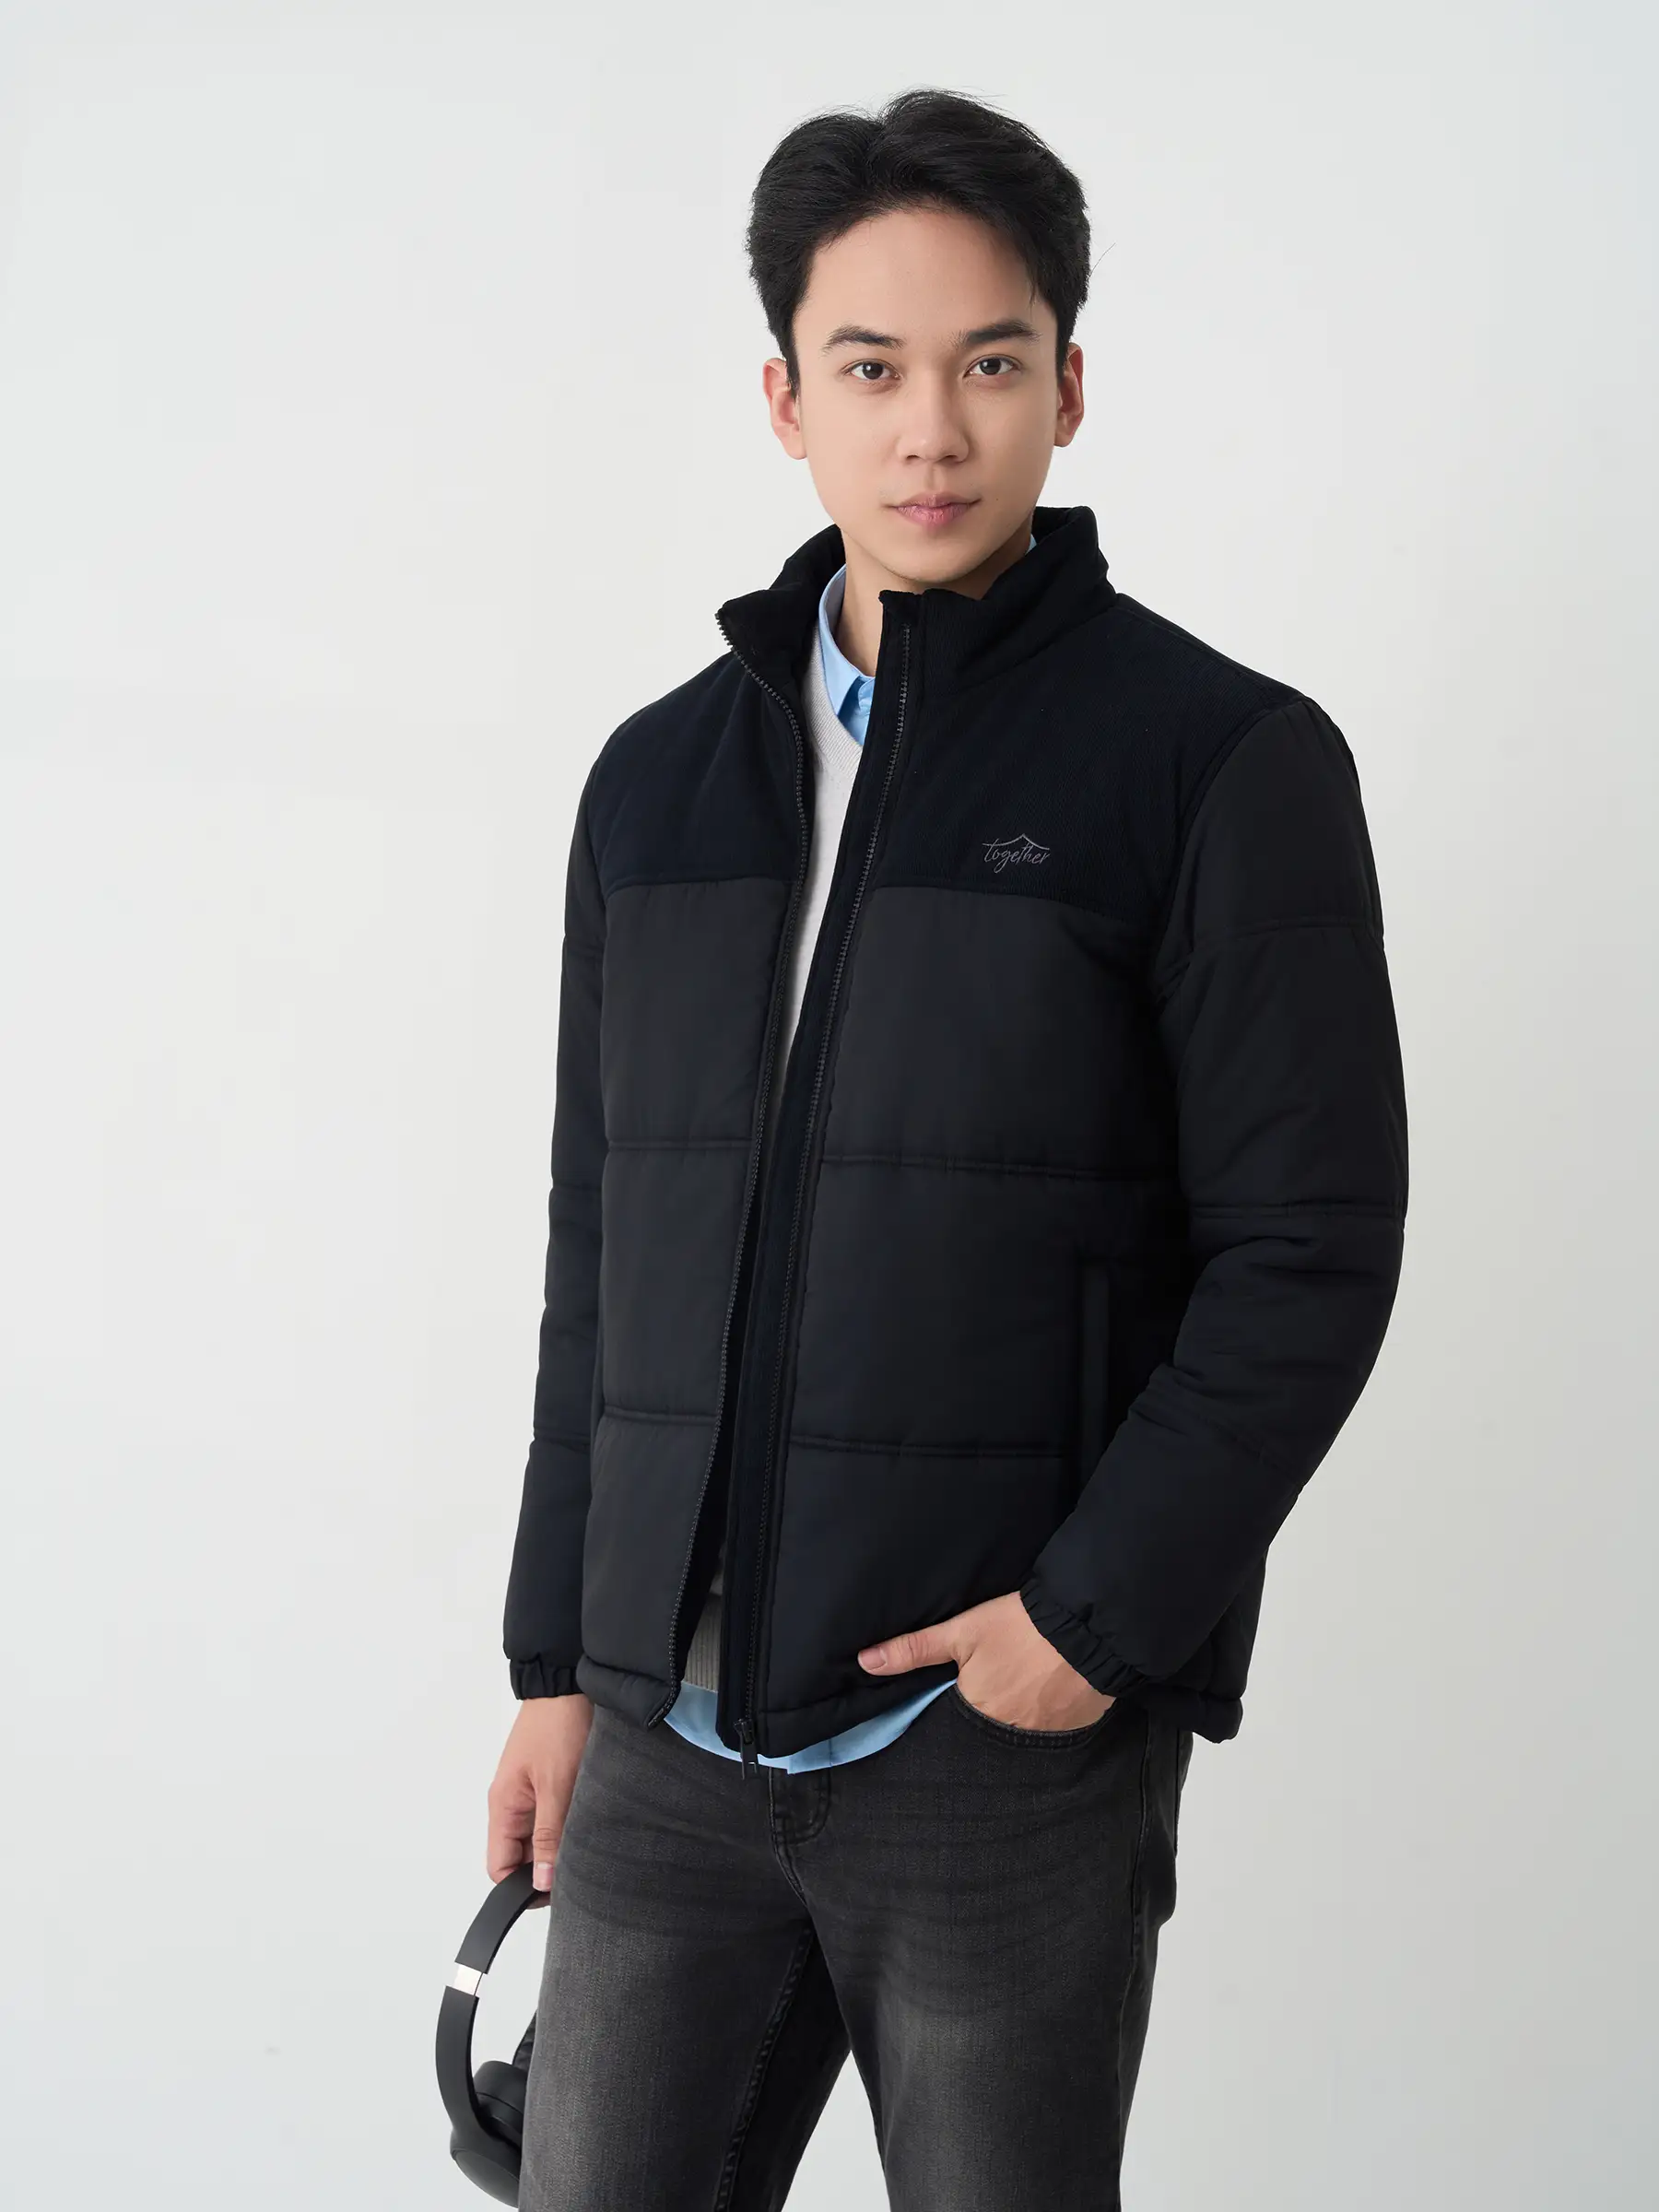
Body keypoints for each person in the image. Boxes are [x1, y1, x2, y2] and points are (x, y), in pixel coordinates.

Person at [484, 86, 1408, 2212]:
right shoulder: (657, 786)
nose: (931, 431)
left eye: (990, 363)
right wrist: (557, 1664)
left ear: (1069, 389)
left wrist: (1087, 1625)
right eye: (871, 369)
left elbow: (1311, 1250)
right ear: (785, 402)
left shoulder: (1218, 763)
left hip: (990, 1750)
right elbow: (601, 1252)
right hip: (665, 1741)